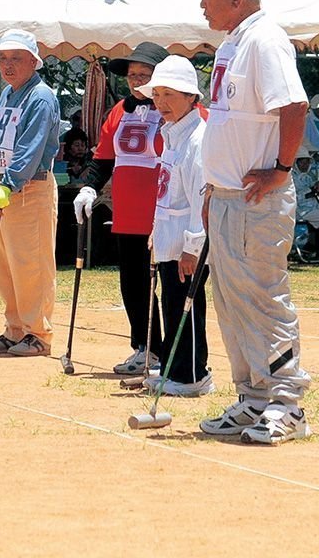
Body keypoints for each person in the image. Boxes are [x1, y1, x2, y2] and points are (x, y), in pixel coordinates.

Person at [184, 0, 312, 445]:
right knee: (232, 302)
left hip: (258, 198)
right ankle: (253, 398)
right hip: (227, 197)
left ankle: (287, 404)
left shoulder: (265, 39)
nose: (202, 6)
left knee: (263, 298)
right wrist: (213, 188)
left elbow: (293, 107)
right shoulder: (233, 43)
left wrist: (281, 167)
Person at [73, 42, 169, 374]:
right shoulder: (119, 112)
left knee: (168, 284)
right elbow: (103, 158)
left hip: (164, 211)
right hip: (127, 213)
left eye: (144, 74)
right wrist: (89, 186)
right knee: (133, 282)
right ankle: (145, 348)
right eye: (132, 75)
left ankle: (175, 353)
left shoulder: (173, 108)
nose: (136, 80)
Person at [0, 29, 61, 357]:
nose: (7, 64)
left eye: (15, 58)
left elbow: (30, 147)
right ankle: (14, 328)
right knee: (5, 264)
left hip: (27, 188)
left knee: (31, 263)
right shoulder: (8, 94)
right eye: (3, 58)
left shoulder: (40, 97)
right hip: (1, 185)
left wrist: (9, 185)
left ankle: (37, 333)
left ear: (33, 61)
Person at [136, 56, 214, 397]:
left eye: (170, 94)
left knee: (187, 306)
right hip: (169, 239)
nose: (161, 103)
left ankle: (193, 374)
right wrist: (157, 231)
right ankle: (174, 368)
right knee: (171, 303)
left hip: (186, 243)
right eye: (157, 95)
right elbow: (167, 190)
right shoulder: (171, 135)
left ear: (191, 98)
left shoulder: (198, 138)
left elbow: (201, 198)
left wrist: (193, 245)